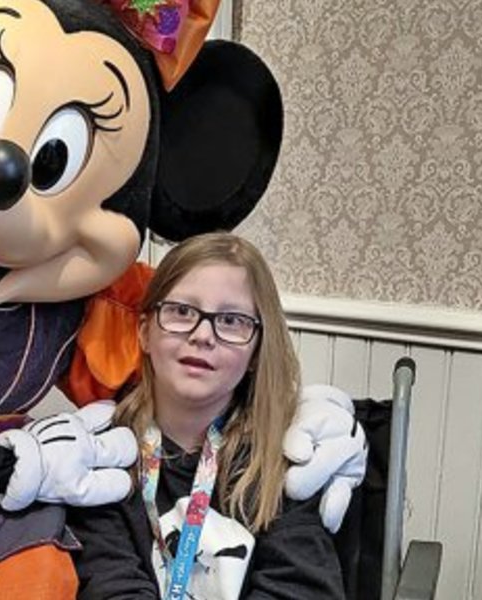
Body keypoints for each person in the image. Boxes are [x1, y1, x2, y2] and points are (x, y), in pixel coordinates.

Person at [69, 232, 346, 600]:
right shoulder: (105, 454)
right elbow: (109, 586)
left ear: (256, 351)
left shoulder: (286, 459)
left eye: (231, 320)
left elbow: (301, 591)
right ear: (145, 332)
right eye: (182, 312)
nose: (202, 335)